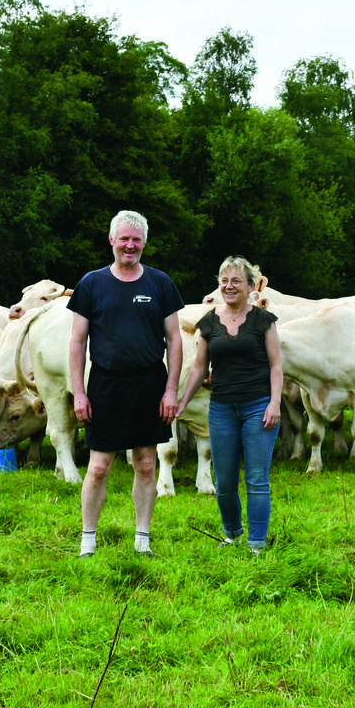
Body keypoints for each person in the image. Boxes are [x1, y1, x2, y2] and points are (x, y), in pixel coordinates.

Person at [68, 210, 185, 559]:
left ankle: (142, 539)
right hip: (105, 384)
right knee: (99, 466)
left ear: (144, 244)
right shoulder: (91, 284)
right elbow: (77, 342)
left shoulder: (160, 283)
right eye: (124, 239)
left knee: (146, 463)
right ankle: (88, 540)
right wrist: (79, 392)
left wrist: (170, 390)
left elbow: (175, 340)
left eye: (136, 240)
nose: (129, 246)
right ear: (112, 241)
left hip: (150, 383)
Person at [178, 257, 282, 554]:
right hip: (221, 408)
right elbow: (199, 368)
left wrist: (274, 403)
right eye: (224, 281)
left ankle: (257, 544)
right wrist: (183, 401)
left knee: (257, 478)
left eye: (236, 281)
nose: (229, 286)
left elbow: (276, 366)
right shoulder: (209, 322)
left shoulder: (264, 321)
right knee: (223, 481)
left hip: (258, 406)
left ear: (251, 286)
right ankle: (233, 533)